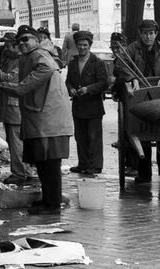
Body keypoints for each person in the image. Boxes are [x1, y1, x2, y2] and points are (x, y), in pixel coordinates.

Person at [0, 25, 73, 214]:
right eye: (19, 41)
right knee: (43, 164)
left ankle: (52, 204)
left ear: (36, 40)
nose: (22, 43)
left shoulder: (38, 54)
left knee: (50, 164)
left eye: (26, 39)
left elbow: (44, 70)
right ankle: (48, 199)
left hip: (49, 121)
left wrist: (20, 86)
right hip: (42, 120)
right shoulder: (30, 56)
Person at [115, 19, 160, 183]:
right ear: (140, 34)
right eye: (145, 33)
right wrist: (132, 78)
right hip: (140, 95)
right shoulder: (132, 48)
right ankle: (144, 173)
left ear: (156, 34)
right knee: (142, 132)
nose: (148, 37)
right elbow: (119, 64)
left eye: (151, 33)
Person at [0, 32, 36, 184]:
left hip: (15, 107)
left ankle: (20, 173)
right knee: (15, 142)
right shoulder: (10, 59)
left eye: (7, 45)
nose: (5, 48)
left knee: (16, 143)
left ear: (16, 45)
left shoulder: (21, 61)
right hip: (9, 107)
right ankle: (22, 171)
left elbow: (8, 79)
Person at [66, 31, 108, 175]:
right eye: (80, 45)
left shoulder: (98, 63)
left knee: (94, 137)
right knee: (80, 137)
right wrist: (70, 89)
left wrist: (88, 89)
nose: (82, 48)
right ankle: (83, 163)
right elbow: (68, 81)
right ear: (76, 46)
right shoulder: (72, 63)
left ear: (89, 46)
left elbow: (104, 83)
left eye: (85, 45)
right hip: (78, 107)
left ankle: (95, 165)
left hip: (93, 107)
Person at [108, 32, 138, 177]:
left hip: (131, 101)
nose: (116, 50)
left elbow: (128, 80)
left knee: (129, 133)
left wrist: (114, 81)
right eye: (114, 47)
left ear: (125, 47)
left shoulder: (128, 60)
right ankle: (129, 164)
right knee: (125, 133)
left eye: (119, 47)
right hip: (123, 101)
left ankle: (133, 165)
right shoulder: (118, 60)